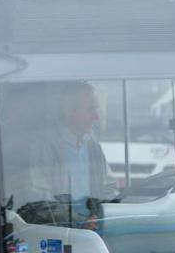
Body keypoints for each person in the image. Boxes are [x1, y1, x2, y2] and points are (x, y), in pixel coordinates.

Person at [15, 81, 115, 227]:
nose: (96, 117)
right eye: (91, 110)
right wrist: (78, 221)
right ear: (70, 111)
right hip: (60, 230)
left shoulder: (92, 145)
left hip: (92, 227)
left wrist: (99, 215)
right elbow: (38, 197)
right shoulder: (45, 145)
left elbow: (108, 187)